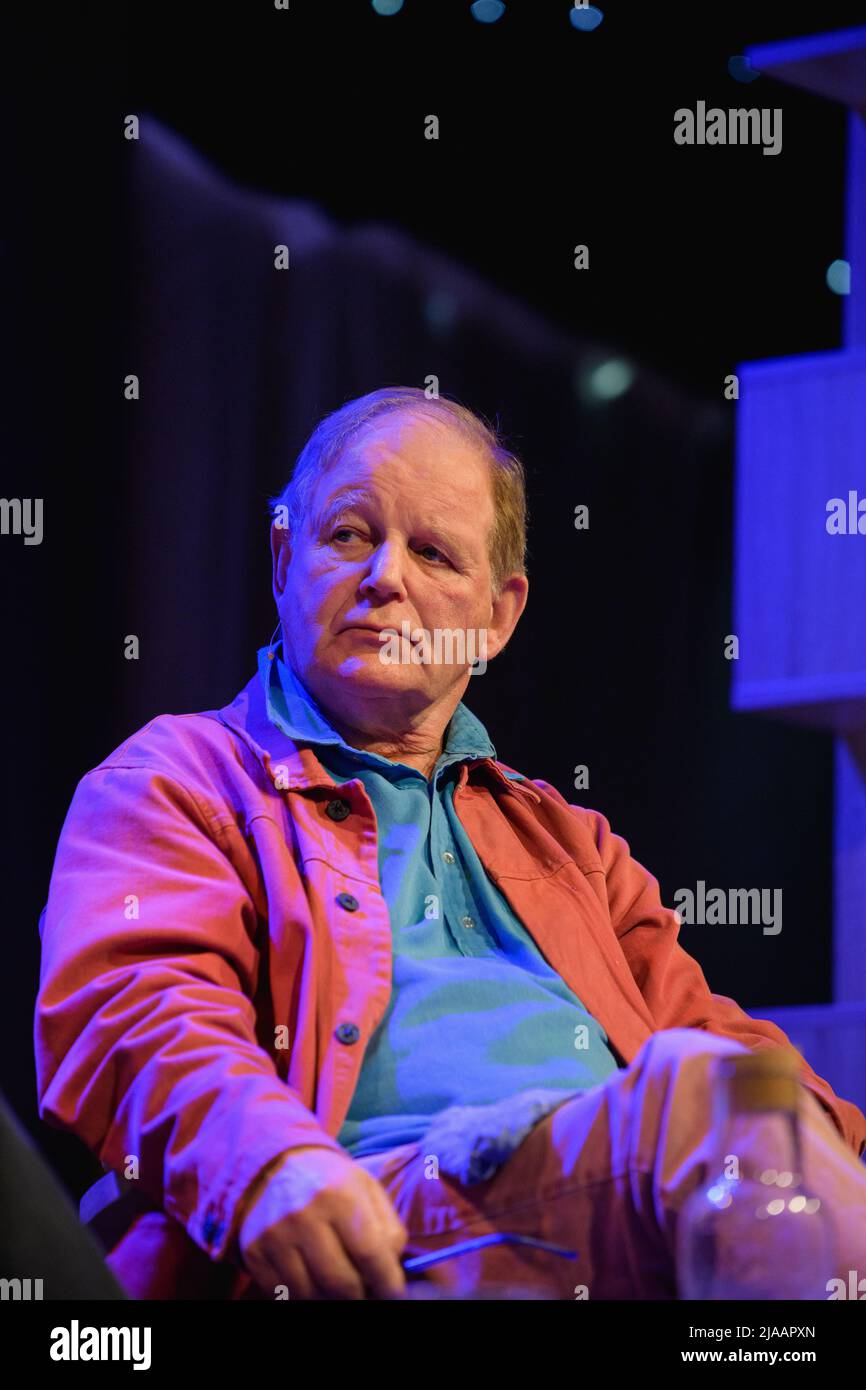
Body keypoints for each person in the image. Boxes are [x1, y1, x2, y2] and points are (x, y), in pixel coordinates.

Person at [34, 386, 866, 1301]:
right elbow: (135, 1009)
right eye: (348, 534)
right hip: (378, 1221)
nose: (385, 576)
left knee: (749, 1098)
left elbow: (728, 1048)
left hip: (621, 1204)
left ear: (498, 620)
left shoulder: (570, 842)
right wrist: (267, 1166)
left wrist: (814, 1144)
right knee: (711, 1098)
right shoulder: (176, 779)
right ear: (283, 559)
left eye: (432, 552)